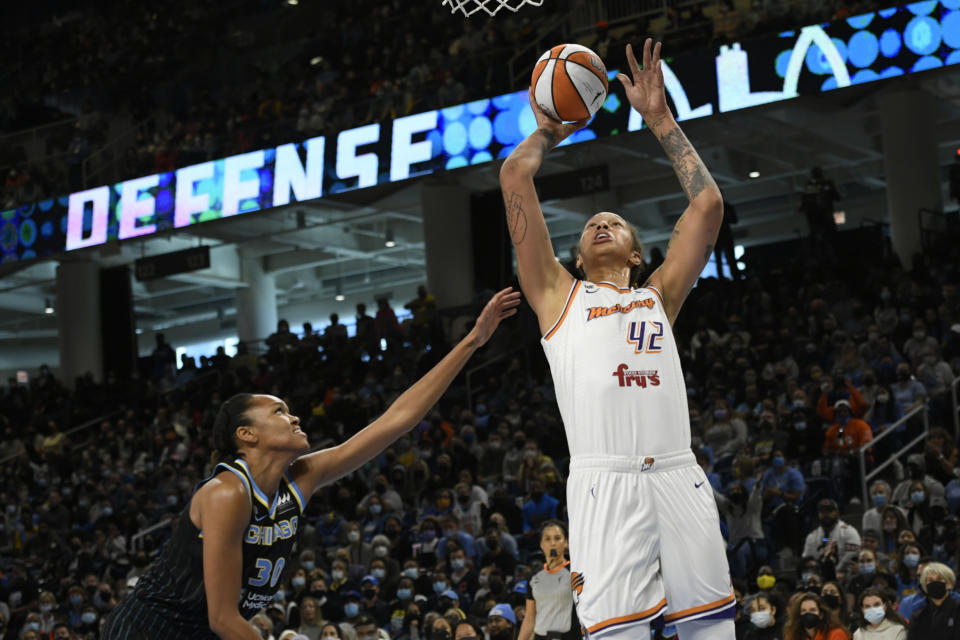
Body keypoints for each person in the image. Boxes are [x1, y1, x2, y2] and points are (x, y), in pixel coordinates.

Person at [100, 288, 521, 639]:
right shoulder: (227, 492)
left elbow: (398, 420)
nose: (295, 416)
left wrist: (472, 342)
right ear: (246, 435)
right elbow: (223, 617)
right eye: (280, 412)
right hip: (149, 629)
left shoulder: (301, 478)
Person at [499, 38, 732, 639]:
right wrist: (552, 129)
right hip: (605, 482)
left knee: (713, 631)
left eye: (615, 222)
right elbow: (514, 174)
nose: (601, 222)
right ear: (576, 255)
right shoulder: (558, 297)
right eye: (591, 225)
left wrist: (660, 120)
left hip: (679, 474)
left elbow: (707, 205)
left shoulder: (658, 295)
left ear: (634, 250)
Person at [517, 521, 579, 640]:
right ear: (541, 544)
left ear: (566, 542)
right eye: (547, 539)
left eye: (557, 538)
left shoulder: (575, 571)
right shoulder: (534, 576)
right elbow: (530, 618)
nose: (552, 543)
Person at [906, 562, 960, 639]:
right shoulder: (918, 614)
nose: (935, 582)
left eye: (939, 579)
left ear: (949, 584)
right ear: (925, 586)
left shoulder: (957, 608)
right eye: (930, 580)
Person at [782, 592, 849, 640]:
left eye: (812, 610)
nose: (808, 613)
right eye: (803, 610)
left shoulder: (837, 634)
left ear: (821, 615)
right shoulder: (792, 636)